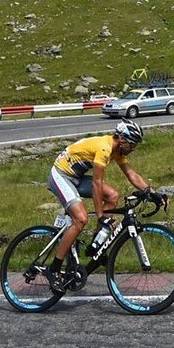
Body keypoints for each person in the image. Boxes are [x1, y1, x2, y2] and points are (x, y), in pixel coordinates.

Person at [39, 120, 155, 288]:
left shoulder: (117, 151)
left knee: (113, 196)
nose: (133, 149)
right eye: (132, 144)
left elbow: (132, 175)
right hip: (60, 175)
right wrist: (100, 216)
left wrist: (153, 193)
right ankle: (54, 269)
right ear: (122, 139)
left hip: (76, 177)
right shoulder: (104, 148)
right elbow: (96, 184)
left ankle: (96, 244)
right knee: (81, 219)